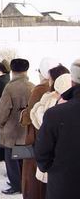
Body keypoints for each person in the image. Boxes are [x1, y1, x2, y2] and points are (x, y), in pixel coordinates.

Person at [35, 59, 80, 199]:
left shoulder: (56, 113)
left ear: (72, 81)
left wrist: (54, 169)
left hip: (64, 185)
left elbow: (42, 153)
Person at [19, 58, 60, 199]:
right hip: (52, 144)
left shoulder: (40, 89)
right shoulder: (63, 89)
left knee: (33, 179)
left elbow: (29, 117)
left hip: (36, 140)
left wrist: (24, 113)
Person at [0, 58, 35, 195]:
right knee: (22, 159)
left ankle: (15, 184)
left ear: (12, 70)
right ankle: (22, 183)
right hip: (25, 129)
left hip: (11, 129)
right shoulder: (32, 86)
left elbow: (3, 109)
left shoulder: (10, 87)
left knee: (11, 160)